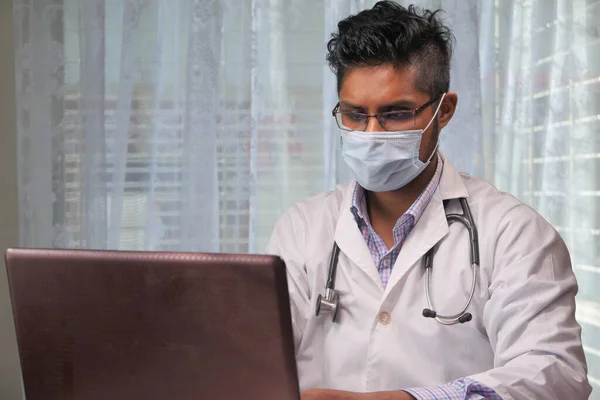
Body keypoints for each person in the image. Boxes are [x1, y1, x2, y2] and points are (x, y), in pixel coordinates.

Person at [266, 2, 592, 399]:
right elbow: (256, 356)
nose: (371, 133)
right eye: (354, 114)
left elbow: (555, 375)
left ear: (444, 111)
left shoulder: (514, 233)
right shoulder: (302, 228)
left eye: (395, 114)